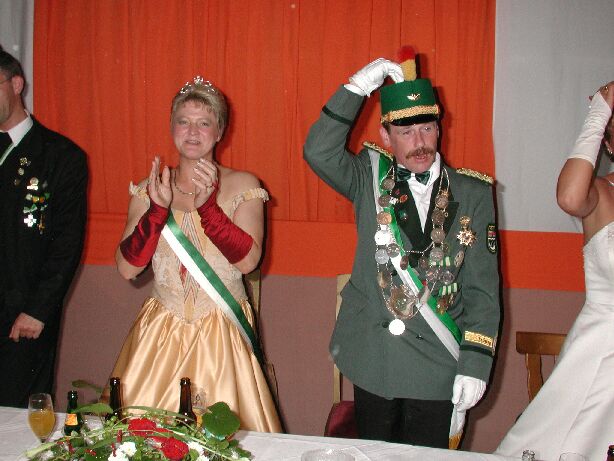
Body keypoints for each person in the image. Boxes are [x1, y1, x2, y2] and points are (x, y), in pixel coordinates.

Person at [303, 48, 500, 449]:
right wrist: (357, 87)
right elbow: (318, 151)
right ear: (385, 137)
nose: (419, 142)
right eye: (406, 132)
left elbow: (482, 290)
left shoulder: (473, 193)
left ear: (439, 129)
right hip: (374, 358)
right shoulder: (368, 176)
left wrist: (476, 364)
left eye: (427, 128)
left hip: (437, 362)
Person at [110, 76, 281, 432]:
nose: (192, 131)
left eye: (204, 123)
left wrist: (210, 211)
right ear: (171, 127)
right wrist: (156, 212)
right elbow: (127, 268)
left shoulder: (244, 185)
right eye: (183, 121)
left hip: (222, 333)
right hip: (160, 334)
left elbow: (248, 262)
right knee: (143, 441)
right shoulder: (150, 188)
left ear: (220, 132)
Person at [496, 82, 614, 461]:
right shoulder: (601, 194)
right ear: (609, 144)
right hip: (601, 357)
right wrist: (600, 112)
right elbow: (568, 197)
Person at [0, 47, 88, 407]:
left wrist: (38, 309)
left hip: (22, 313)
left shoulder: (60, 156)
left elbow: (66, 243)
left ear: (16, 84)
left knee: (16, 413)